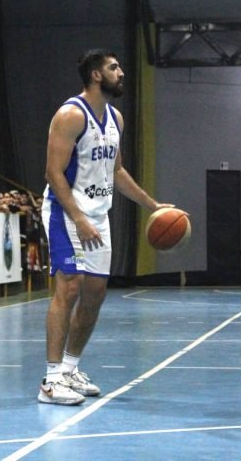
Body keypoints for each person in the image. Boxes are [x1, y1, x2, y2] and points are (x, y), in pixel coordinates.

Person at [39, 48, 172, 405]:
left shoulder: (116, 119)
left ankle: (70, 368)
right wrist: (79, 218)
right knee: (69, 287)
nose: (122, 73)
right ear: (96, 75)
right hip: (66, 211)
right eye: (114, 67)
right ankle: (51, 381)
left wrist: (153, 205)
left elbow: (116, 172)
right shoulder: (70, 115)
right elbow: (53, 173)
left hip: (98, 214)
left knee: (95, 294)